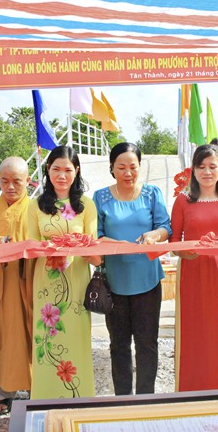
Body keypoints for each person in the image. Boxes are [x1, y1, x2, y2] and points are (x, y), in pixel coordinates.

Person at [92, 142, 171, 395]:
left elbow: (165, 227)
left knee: (147, 344)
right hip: (115, 283)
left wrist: (154, 235)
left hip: (147, 280)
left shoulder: (152, 193)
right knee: (119, 345)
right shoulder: (100, 197)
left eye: (133, 167)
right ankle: (122, 399)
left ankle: (146, 398)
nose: (128, 173)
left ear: (140, 166)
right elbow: (96, 235)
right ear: (112, 168)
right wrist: (118, 245)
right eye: (121, 167)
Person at [27, 145, 101, 399]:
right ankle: (44, 399)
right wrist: (53, 247)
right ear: (48, 170)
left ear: (76, 171)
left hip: (77, 280)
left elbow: (94, 249)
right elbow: (31, 247)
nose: (61, 175)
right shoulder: (35, 206)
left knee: (76, 339)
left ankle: (79, 400)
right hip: (46, 283)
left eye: (67, 170)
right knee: (46, 339)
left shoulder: (86, 205)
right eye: (56, 169)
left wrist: (80, 248)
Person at [170, 144, 218, 391]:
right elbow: (174, 241)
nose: (207, 172)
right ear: (194, 170)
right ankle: (190, 392)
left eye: (213, 167)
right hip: (192, 273)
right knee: (194, 332)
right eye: (201, 167)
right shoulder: (183, 200)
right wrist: (183, 252)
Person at [0, 157, 32, 413]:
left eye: (16, 181)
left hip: (28, 282)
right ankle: (2, 395)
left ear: (28, 181)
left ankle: (37, 388)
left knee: (31, 333)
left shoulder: (37, 208)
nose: (10, 187)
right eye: (4, 181)